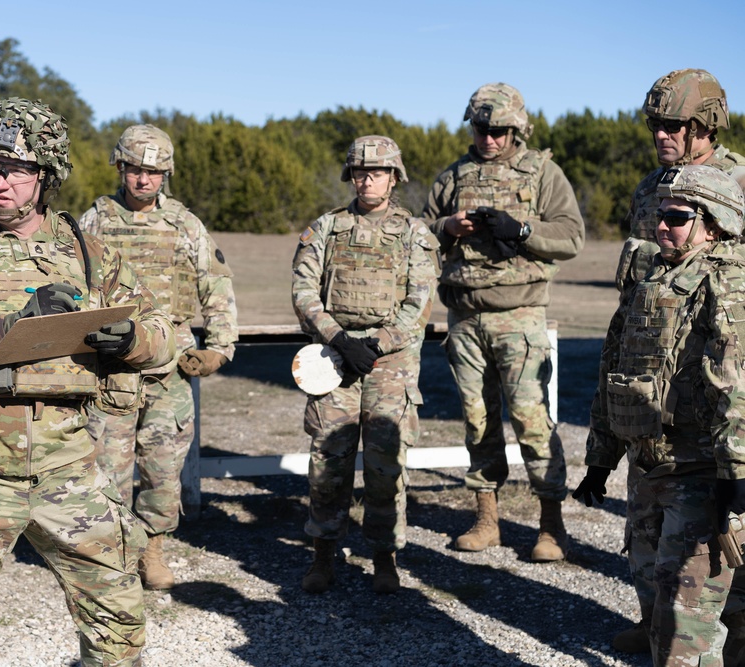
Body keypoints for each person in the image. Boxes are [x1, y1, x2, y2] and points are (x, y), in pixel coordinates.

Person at [0, 98, 175, 667]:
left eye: (17, 169)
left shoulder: (85, 250)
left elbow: (162, 331)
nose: (0, 182)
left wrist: (132, 341)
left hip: (67, 464)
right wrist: (16, 325)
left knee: (118, 617)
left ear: (45, 176)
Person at [574, 164, 745, 666]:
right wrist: (600, 459)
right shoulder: (652, 281)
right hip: (649, 469)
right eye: (659, 215)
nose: (661, 225)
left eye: (677, 217)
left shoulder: (728, 286)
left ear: (712, 223)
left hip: (701, 474)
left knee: (682, 633)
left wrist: (735, 474)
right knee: (655, 596)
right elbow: (615, 371)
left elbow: (735, 385)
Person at [609, 68, 745, 655]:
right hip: (656, 377)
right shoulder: (651, 188)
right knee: (650, 531)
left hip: (721, 378)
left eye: (675, 125)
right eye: (656, 124)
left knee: (718, 542)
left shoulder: (737, 181)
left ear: (705, 126)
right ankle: (659, 622)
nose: (661, 134)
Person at [422, 82, 584, 562]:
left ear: (517, 129)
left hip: (520, 316)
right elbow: (418, 232)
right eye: (480, 129)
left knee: (532, 423)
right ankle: (486, 519)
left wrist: (523, 230)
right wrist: (447, 228)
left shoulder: (542, 173)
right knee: (477, 422)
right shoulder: (454, 175)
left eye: (498, 130)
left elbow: (572, 236)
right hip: (465, 316)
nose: (488, 139)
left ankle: (551, 527)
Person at [78, 124, 238, 590]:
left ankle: (152, 549)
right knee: (107, 467)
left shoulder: (184, 225)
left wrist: (219, 350)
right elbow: (73, 285)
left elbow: (217, 286)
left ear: (165, 174)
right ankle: (111, 558)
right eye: (134, 170)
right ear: (120, 168)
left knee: (163, 467)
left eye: (152, 172)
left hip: (170, 366)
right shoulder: (95, 221)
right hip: (111, 366)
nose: (143, 180)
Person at [291, 135, 439, 594]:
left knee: (385, 466)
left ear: (394, 177)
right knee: (327, 464)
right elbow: (302, 290)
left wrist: (377, 343)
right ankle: (322, 557)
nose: (367, 178)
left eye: (377, 171)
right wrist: (338, 337)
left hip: (388, 364)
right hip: (334, 358)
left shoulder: (414, 233)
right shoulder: (327, 228)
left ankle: (384, 559)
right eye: (359, 171)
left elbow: (420, 301)